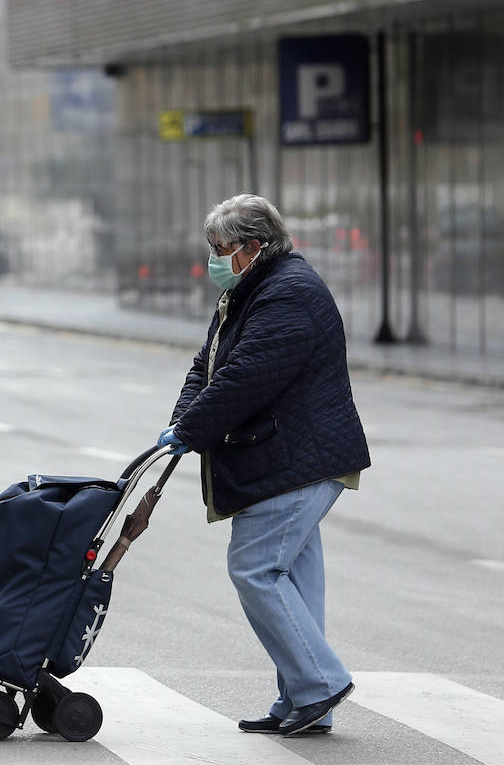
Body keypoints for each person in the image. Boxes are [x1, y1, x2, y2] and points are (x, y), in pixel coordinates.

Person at [156, 193, 370, 737]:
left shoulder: (288, 294)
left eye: (221, 248)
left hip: (296, 459)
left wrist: (190, 431)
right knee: (294, 580)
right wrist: (184, 420)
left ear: (254, 247)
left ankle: (320, 683)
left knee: (254, 568)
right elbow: (207, 365)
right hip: (289, 455)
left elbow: (245, 378)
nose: (214, 258)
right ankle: (303, 697)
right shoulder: (249, 289)